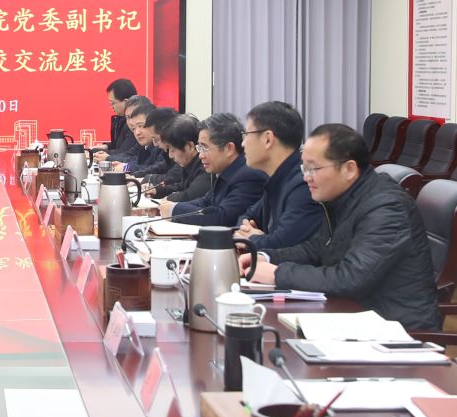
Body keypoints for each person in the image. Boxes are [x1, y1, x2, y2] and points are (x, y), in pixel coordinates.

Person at [248, 124, 437, 327]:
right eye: (304, 168)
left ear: (349, 169)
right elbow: (316, 249)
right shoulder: (343, 197)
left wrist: (277, 274)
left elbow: (350, 278)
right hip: (355, 313)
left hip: (396, 328)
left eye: (313, 169)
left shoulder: (387, 208)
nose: (306, 177)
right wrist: (265, 257)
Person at [231, 100, 325, 252]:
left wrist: (252, 238)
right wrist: (248, 231)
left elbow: (283, 244)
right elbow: (247, 215)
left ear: (267, 139)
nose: (243, 144)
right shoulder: (277, 179)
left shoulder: (304, 184)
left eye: (246, 135)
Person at [164, 113, 265, 223]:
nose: (201, 155)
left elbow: (223, 217)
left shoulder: (249, 175)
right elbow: (206, 202)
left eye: (205, 148)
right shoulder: (223, 171)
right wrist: (172, 206)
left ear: (229, 148)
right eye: (200, 148)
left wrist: (174, 210)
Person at [147, 113, 208, 204]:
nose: (170, 155)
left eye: (173, 149)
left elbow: (190, 196)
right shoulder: (189, 163)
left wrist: (168, 199)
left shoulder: (205, 165)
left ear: (189, 146)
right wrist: (158, 190)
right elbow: (181, 186)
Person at [100, 78, 137, 161]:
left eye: (112, 103)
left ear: (126, 102)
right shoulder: (121, 120)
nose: (111, 107)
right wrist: (106, 146)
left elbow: (125, 152)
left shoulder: (134, 123)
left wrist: (98, 153)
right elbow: (120, 145)